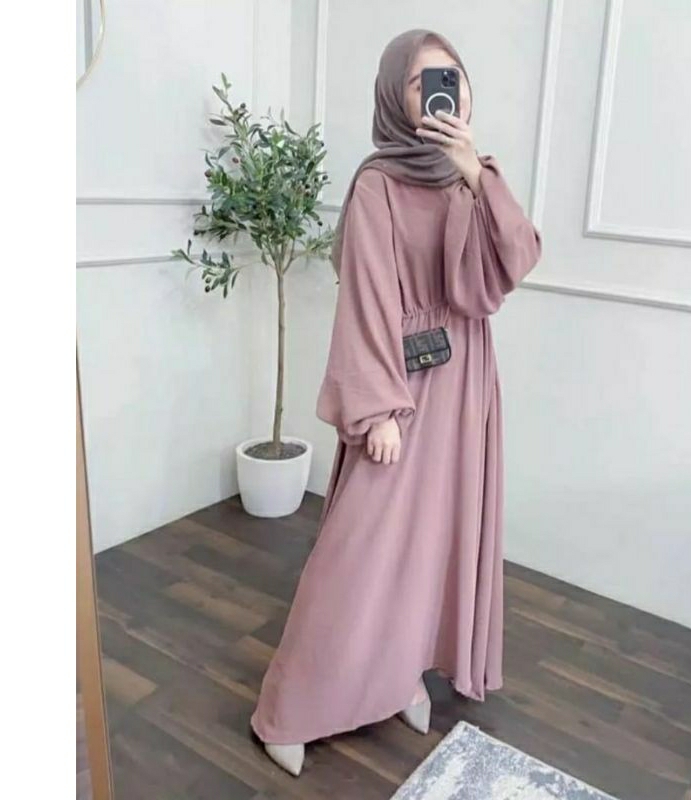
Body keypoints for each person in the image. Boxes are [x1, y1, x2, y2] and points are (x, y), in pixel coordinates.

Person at [249, 27, 542, 777]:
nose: (442, 90)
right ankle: (291, 706)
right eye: (421, 81)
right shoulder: (378, 184)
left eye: (452, 76)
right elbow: (367, 297)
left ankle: (400, 673)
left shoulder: (472, 179)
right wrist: (377, 407)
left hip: (466, 385)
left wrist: (476, 174)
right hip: (401, 387)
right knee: (362, 548)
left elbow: (518, 260)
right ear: (394, 96)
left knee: (435, 542)